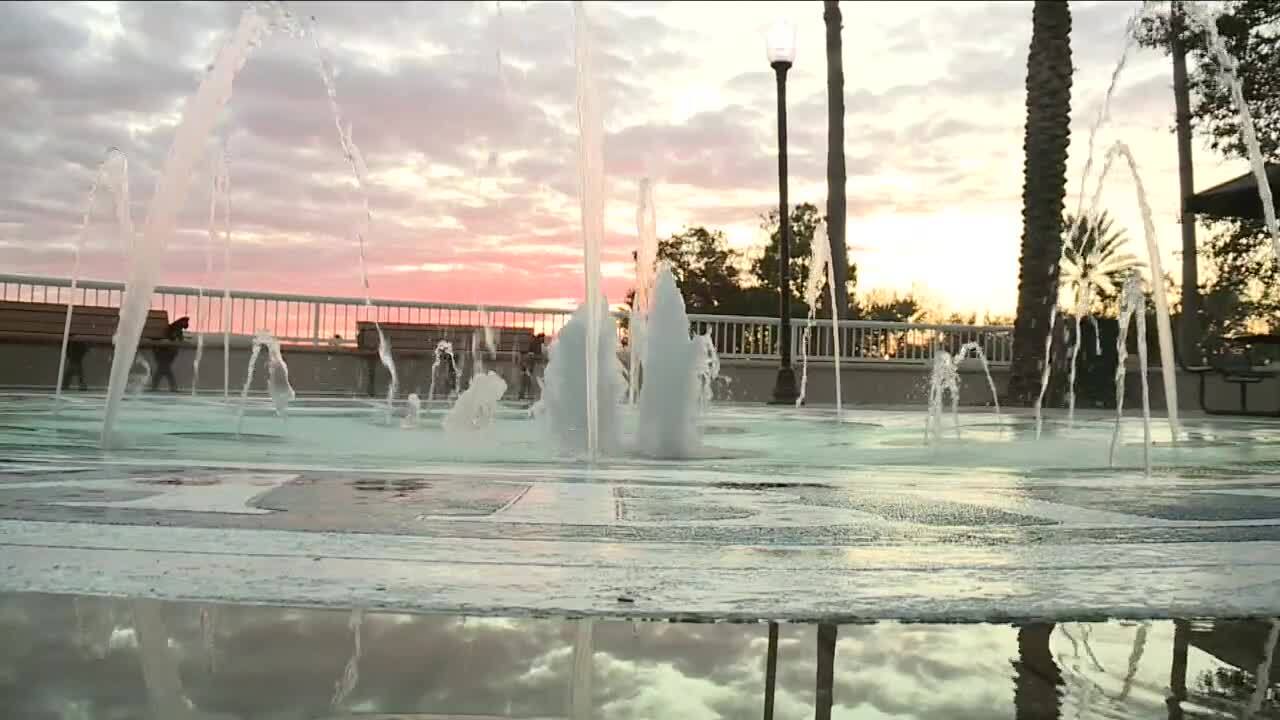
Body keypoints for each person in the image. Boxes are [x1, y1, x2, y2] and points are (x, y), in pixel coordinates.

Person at [151, 316, 189, 392]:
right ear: (181, 322)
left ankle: (154, 386)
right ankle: (172, 387)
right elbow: (172, 339)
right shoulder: (173, 329)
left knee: (162, 369)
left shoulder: (177, 329)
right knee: (165, 369)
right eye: (185, 322)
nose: (187, 324)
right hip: (165, 352)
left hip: (166, 352)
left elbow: (178, 339)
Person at [518, 333, 546, 401]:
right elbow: (533, 356)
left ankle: (524, 395)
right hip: (528, 367)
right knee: (526, 381)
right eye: (542, 338)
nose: (543, 340)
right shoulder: (536, 344)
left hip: (528, 367)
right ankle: (524, 395)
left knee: (526, 381)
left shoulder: (536, 344)